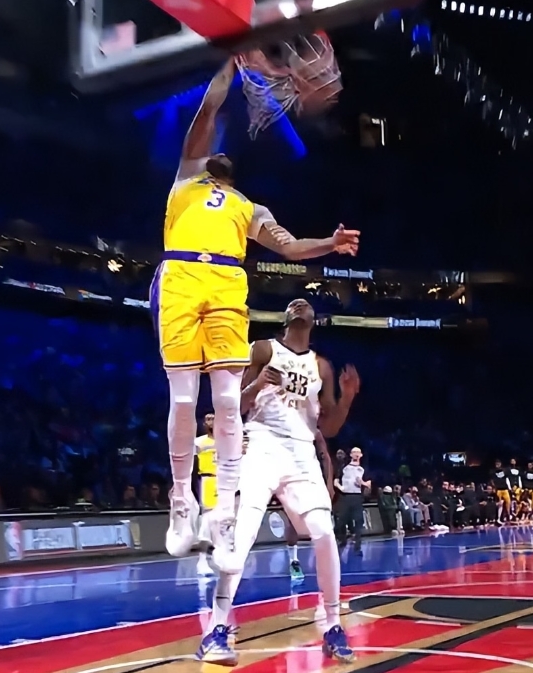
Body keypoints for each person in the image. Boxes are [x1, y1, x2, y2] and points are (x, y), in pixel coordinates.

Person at [150, 58, 361, 562]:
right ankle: (181, 501)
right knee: (184, 400)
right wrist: (230, 60)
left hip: (227, 281)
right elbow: (208, 111)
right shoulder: (185, 180)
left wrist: (329, 244)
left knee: (227, 402)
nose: (218, 150)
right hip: (180, 276)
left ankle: (222, 514)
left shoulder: (249, 209)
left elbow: (288, 247)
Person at [196, 298, 360, 665]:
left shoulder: (321, 366)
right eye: (294, 303)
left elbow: (329, 427)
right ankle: (215, 630)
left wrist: (347, 398)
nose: (300, 304)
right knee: (243, 534)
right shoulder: (263, 349)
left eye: (306, 304)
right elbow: (232, 407)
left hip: (301, 451)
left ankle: (333, 625)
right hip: (263, 443)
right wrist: (256, 385)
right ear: (286, 318)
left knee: (324, 531)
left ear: (314, 321)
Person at [285, 431, 334, 583]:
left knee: (321, 521)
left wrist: (329, 484)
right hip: (292, 479)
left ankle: (324, 560)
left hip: (313, 479)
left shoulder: (314, 431)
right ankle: (294, 561)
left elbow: (326, 457)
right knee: (293, 521)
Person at [334, 448, 371, 553]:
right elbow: (336, 481)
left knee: (358, 521)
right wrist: (341, 488)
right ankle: (342, 539)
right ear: (350, 454)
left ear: (361, 455)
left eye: (358, 452)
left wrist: (362, 483)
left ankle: (357, 546)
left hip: (357, 496)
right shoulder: (344, 467)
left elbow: (368, 484)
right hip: (345, 496)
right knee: (341, 520)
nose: (356, 454)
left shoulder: (363, 469)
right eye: (354, 452)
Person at [194, 413, 217, 576]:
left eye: (214, 418)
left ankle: (219, 557)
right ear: (204, 424)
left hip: (225, 482)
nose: (211, 421)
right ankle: (201, 561)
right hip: (207, 481)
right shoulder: (199, 442)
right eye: (208, 419)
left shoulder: (226, 440)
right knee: (206, 522)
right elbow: (192, 467)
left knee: (225, 522)